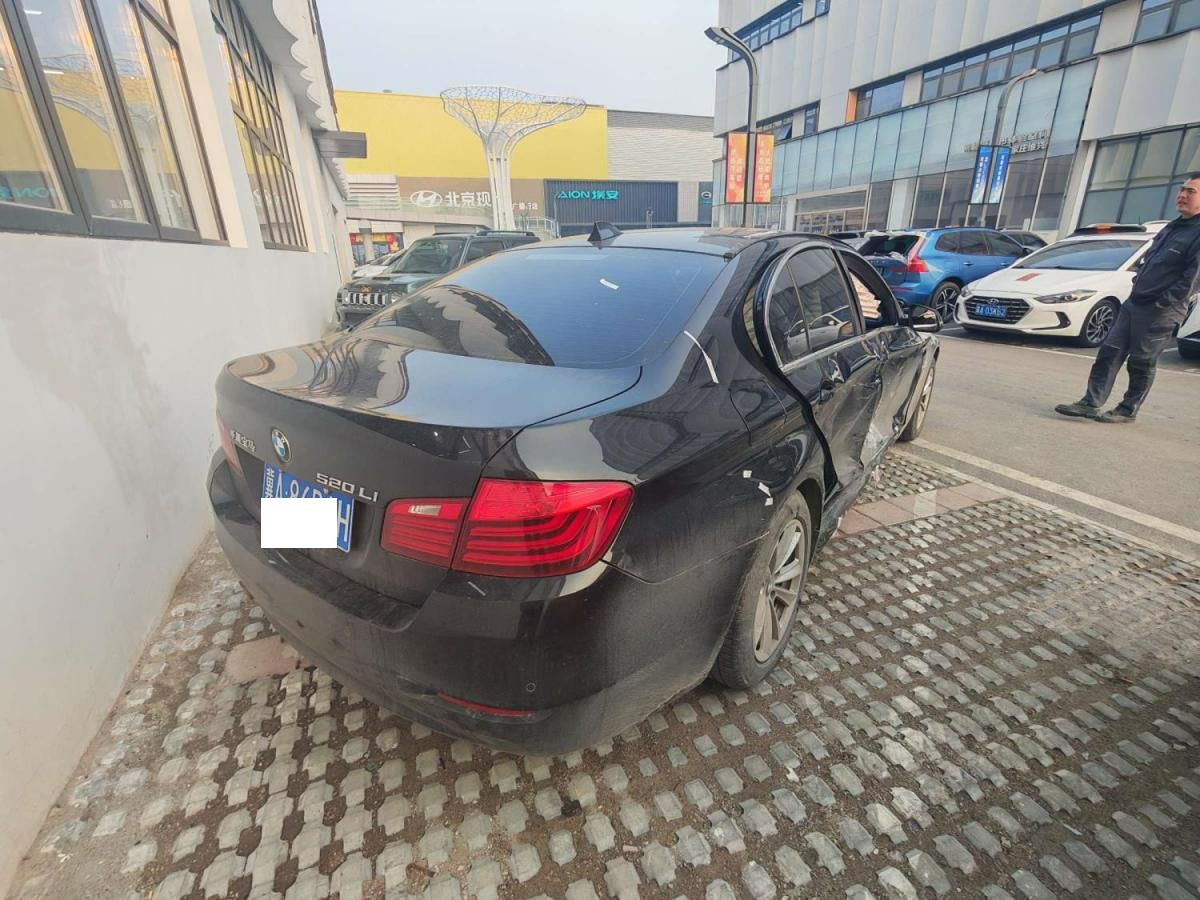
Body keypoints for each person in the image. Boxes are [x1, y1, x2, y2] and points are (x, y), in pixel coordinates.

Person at [1055, 174, 1200, 423]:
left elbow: (1193, 278)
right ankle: (1090, 403)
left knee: (1141, 362)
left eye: (1191, 191)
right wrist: (1137, 281)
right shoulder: (1173, 226)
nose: (1182, 195)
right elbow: (1150, 260)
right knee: (1109, 353)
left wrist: (1162, 302)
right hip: (1135, 303)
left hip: (1161, 310)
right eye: (1182, 189)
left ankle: (1127, 409)